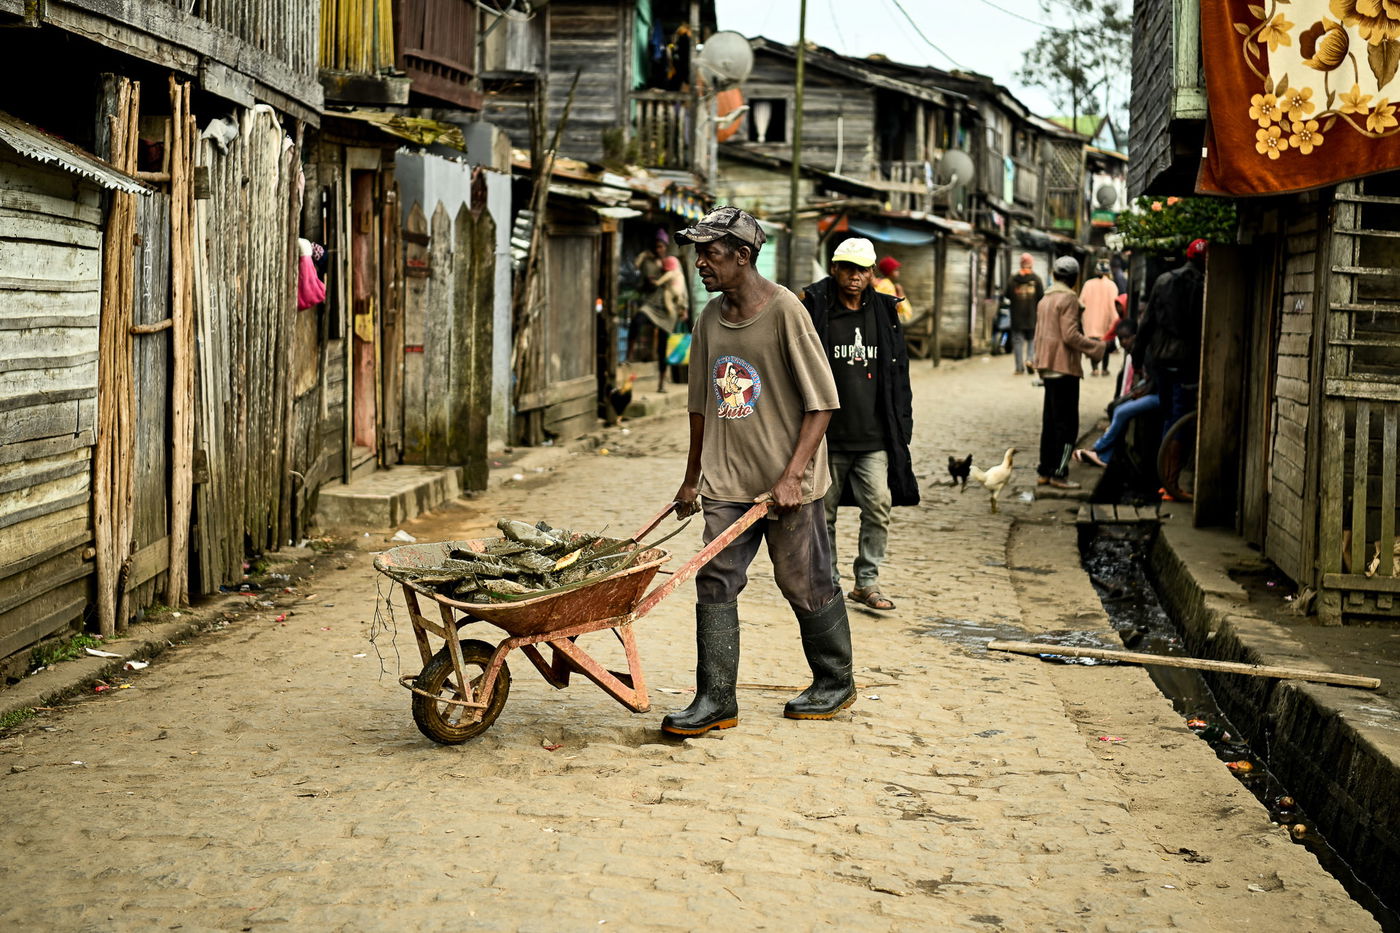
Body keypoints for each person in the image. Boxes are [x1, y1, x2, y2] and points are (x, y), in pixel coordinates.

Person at [663, 206, 854, 737]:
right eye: (698, 253)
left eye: (710, 253)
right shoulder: (709, 318)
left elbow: (823, 403)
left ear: (743, 255)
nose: (699, 263)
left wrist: (792, 476)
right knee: (715, 579)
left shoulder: (787, 312)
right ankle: (715, 699)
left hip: (786, 483)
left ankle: (835, 681)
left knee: (804, 582)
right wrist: (692, 477)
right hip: (728, 480)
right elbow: (700, 405)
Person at [798, 238, 919, 613]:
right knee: (824, 513)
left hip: (874, 436)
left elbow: (899, 372)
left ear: (871, 274)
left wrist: (902, 424)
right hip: (826, 436)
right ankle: (830, 583)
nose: (855, 276)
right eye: (848, 268)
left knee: (879, 505)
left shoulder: (884, 310)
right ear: (835, 269)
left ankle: (867, 581)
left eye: (862, 270)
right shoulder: (815, 307)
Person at [1032, 255, 1105, 489]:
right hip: (1064, 368)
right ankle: (1059, 473)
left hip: (1048, 367)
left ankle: (1045, 471)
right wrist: (1097, 348)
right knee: (1067, 426)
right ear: (1075, 279)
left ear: (1054, 275)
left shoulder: (1045, 299)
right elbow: (1070, 335)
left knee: (1050, 423)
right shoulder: (1069, 299)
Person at [1137, 238, 1206, 439]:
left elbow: (1146, 323)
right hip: (1187, 362)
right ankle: (1169, 457)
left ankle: (1164, 455)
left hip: (1162, 359)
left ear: (1187, 256)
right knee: (1179, 416)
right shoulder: (1206, 285)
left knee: (1168, 413)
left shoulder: (1163, 281)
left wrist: (1137, 358)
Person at [1073, 318, 1158, 467]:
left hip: (1158, 394)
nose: (1123, 342)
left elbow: (1154, 383)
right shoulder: (1137, 352)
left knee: (1121, 411)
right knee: (1117, 407)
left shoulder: (1147, 352)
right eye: (1121, 339)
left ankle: (1097, 449)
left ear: (1135, 337)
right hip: (1149, 390)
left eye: (1126, 338)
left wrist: (1137, 394)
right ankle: (1106, 455)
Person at [1002, 253, 1043, 375]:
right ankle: (1029, 360)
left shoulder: (1013, 279)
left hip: (1017, 317)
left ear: (1021, 263)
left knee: (1017, 342)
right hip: (1032, 316)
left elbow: (1007, 295)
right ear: (1031, 264)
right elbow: (1041, 297)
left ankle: (1019, 368)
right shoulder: (1036, 279)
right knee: (1031, 340)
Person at [1080, 259, 1120, 376]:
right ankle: (1104, 369)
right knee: (1105, 347)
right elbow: (1114, 306)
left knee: (1094, 346)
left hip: (1091, 323)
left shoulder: (1088, 284)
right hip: (1106, 324)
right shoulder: (1112, 286)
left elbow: (1081, 303)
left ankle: (1095, 369)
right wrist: (1115, 322)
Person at [872, 256, 913, 322]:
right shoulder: (887, 285)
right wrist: (901, 293)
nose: (898, 272)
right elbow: (895, 305)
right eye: (895, 270)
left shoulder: (885, 283)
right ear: (889, 271)